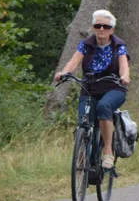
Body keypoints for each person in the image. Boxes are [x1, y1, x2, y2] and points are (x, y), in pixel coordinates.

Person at [54, 10, 131, 168]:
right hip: (89, 88)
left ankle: (108, 152)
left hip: (113, 88)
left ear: (112, 30)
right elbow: (73, 62)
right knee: (83, 120)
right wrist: (64, 73)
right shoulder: (86, 44)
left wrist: (124, 77)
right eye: (98, 26)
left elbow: (124, 66)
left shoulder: (119, 46)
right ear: (93, 27)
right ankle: (83, 158)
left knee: (104, 107)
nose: (101, 29)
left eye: (105, 26)